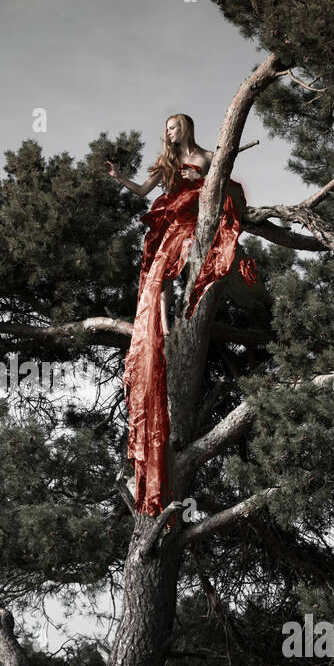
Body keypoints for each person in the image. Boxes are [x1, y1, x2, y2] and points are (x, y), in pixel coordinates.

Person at [106, 114, 258, 517]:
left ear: (186, 128)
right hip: (174, 220)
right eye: (167, 129)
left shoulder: (208, 157)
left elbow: (218, 187)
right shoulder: (166, 165)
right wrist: (120, 176)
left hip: (197, 220)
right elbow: (142, 190)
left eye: (175, 127)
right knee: (160, 272)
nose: (170, 133)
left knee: (192, 258)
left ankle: (194, 298)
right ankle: (166, 321)